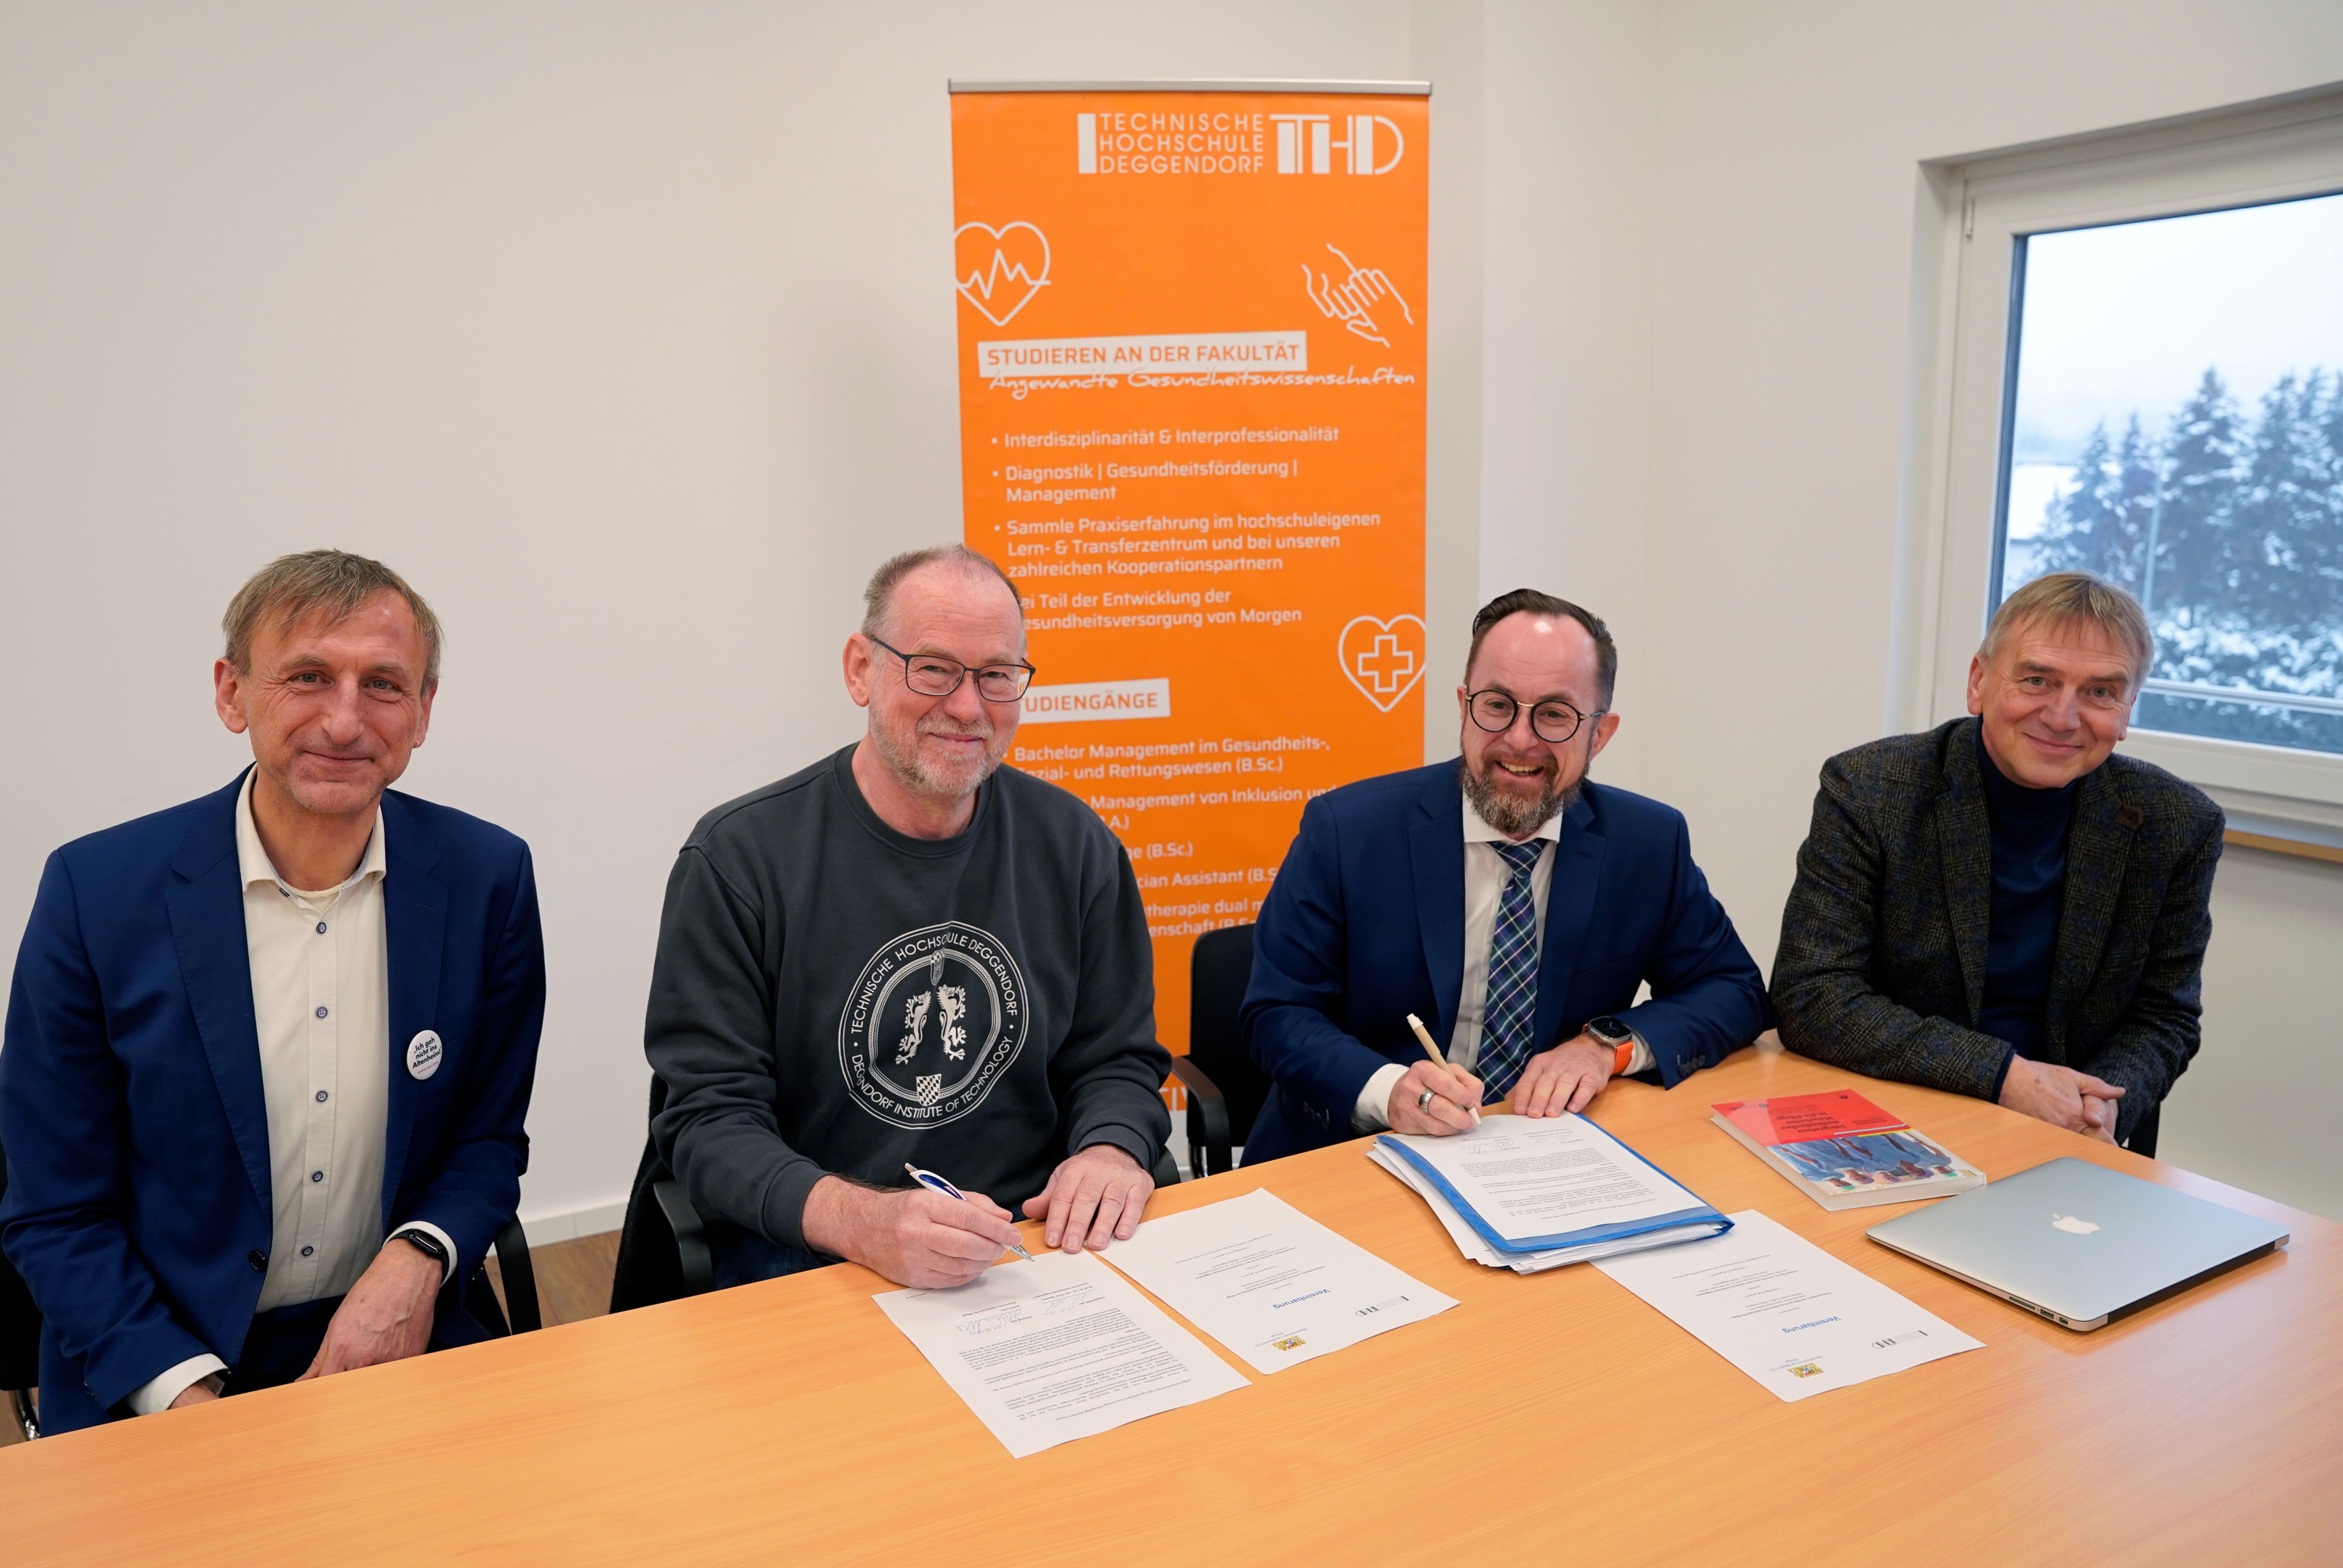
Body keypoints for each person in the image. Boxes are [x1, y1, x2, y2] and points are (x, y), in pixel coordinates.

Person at [0, 552, 545, 1433]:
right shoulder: (95, 895)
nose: (345, 720)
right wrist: (188, 1398)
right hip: (159, 1358)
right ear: (232, 693)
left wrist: (415, 1264)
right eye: (308, 677)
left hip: (395, 1333)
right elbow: (58, 1212)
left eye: (383, 685)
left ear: (423, 712)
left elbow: (485, 1138)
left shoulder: (490, 879)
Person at [638, 545, 1170, 1292]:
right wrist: (864, 1222)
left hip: (1032, 1236)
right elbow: (709, 1122)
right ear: (861, 669)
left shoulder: (1076, 845)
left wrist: (1111, 1149)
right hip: (818, 1244)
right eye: (934, 668)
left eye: (996, 675)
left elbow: (1116, 1059)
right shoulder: (739, 861)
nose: (968, 706)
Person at [1241, 588, 1770, 1163]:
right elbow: (1278, 1013)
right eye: (1497, 705)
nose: (1520, 739)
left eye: (1555, 714)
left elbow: (1734, 990)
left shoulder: (1647, 843)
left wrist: (1604, 1047)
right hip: (1356, 1154)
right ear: (1464, 705)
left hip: (1548, 1154)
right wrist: (1387, 1090)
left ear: (1600, 733)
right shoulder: (1347, 831)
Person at [1772, 571, 2220, 1154]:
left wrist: (2099, 1110)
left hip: (2075, 1137)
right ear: (1978, 682)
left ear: (2128, 709)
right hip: (1894, 1119)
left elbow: (2164, 1016)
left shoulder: (2178, 823)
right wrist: (2007, 1078)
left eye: (2100, 693)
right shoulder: (1872, 789)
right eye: (2037, 681)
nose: (2063, 717)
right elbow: (1813, 995)